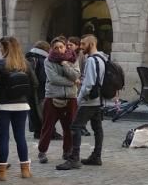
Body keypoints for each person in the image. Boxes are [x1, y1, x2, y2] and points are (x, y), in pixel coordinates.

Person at [0, 37, 39, 181]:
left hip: (2, 105)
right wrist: (22, 95)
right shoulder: (25, 63)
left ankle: (1, 172)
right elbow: (35, 84)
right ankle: (25, 170)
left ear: (3, 48)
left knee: (3, 137)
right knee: (20, 136)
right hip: (22, 105)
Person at [56, 35, 107, 170]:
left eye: (84, 44)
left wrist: (79, 99)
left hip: (89, 100)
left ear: (91, 44)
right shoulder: (102, 58)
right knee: (97, 128)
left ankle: (74, 158)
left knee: (75, 127)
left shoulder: (91, 60)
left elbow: (89, 83)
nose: (81, 47)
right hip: (97, 99)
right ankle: (96, 156)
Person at [37, 38, 80, 164]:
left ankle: (67, 151)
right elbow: (53, 78)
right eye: (56, 47)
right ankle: (42, 151)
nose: (59, 49)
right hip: (53, 96)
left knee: (69, 127)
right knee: (48, 126)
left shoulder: (73, 59)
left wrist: (65, 65)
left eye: (61, 47)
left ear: (65, 47)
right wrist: (72, 82)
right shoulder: (48, 61)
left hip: (70, 97)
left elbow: (76, 75)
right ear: (52, 49)